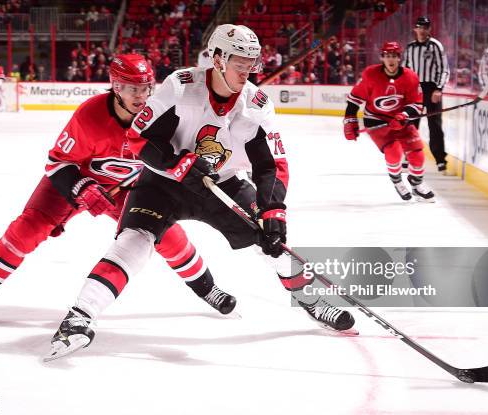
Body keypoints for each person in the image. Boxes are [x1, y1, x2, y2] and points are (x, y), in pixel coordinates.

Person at [46, 24, 356, 361]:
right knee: (133, 240)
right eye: (240, 62)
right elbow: (140, 138)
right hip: (163, 183)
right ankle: (79, 316)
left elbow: (271, 166)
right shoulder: (181, 86)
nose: (248, 71)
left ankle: (312, 302)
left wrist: (273, 211)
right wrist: (177, 164)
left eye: (252, 63)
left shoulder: (257, 105)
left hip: (223, 184)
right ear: (219, 58)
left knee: (276, 243)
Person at [0, 54, 236, 323]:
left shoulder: (162, 114)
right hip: (78, 178)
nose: (143, 97)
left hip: (129, 189)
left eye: (147, 88)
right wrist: (81, 188)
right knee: (28, 228)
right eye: (133, 89)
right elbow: (57, 163)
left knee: (168, 235)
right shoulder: (90, 115)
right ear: (115, 86)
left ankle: (208, 289)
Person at [343, 41, 435, 202]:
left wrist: (404, 115)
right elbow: (354, 99)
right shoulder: (371, 74)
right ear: (382, 58)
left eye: (394, 56)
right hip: (376, 121)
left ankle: (416, 184)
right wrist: (350, 121)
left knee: (418, 156)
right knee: (393, 152)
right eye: (387, 56)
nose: (390, 60)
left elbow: (416, 103)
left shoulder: (410, 77)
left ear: (399, 58)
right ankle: (397, 181)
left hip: (402, 120)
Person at [403, 16, 449, 173]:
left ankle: (440, 159)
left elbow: (444, 69)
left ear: (429, 29)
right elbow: (404, 69)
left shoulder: (436, 46)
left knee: (434, 124)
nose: (421, 30)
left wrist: (439, 88)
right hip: (415, 89)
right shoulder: (410, 48)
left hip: (431, 89)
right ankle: (408, 154)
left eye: (425, 27)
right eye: (419, 27)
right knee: (410, 123)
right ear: (415, 29)